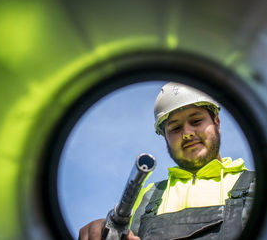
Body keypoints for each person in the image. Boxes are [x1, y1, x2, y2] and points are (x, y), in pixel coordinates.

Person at [78, 82, 255, 240]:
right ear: (165, 138)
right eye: (176, 128)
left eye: (196, 120)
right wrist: (101, 232)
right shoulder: (147, 196)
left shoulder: (256, 185)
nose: (187, 133)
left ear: (216, 122)